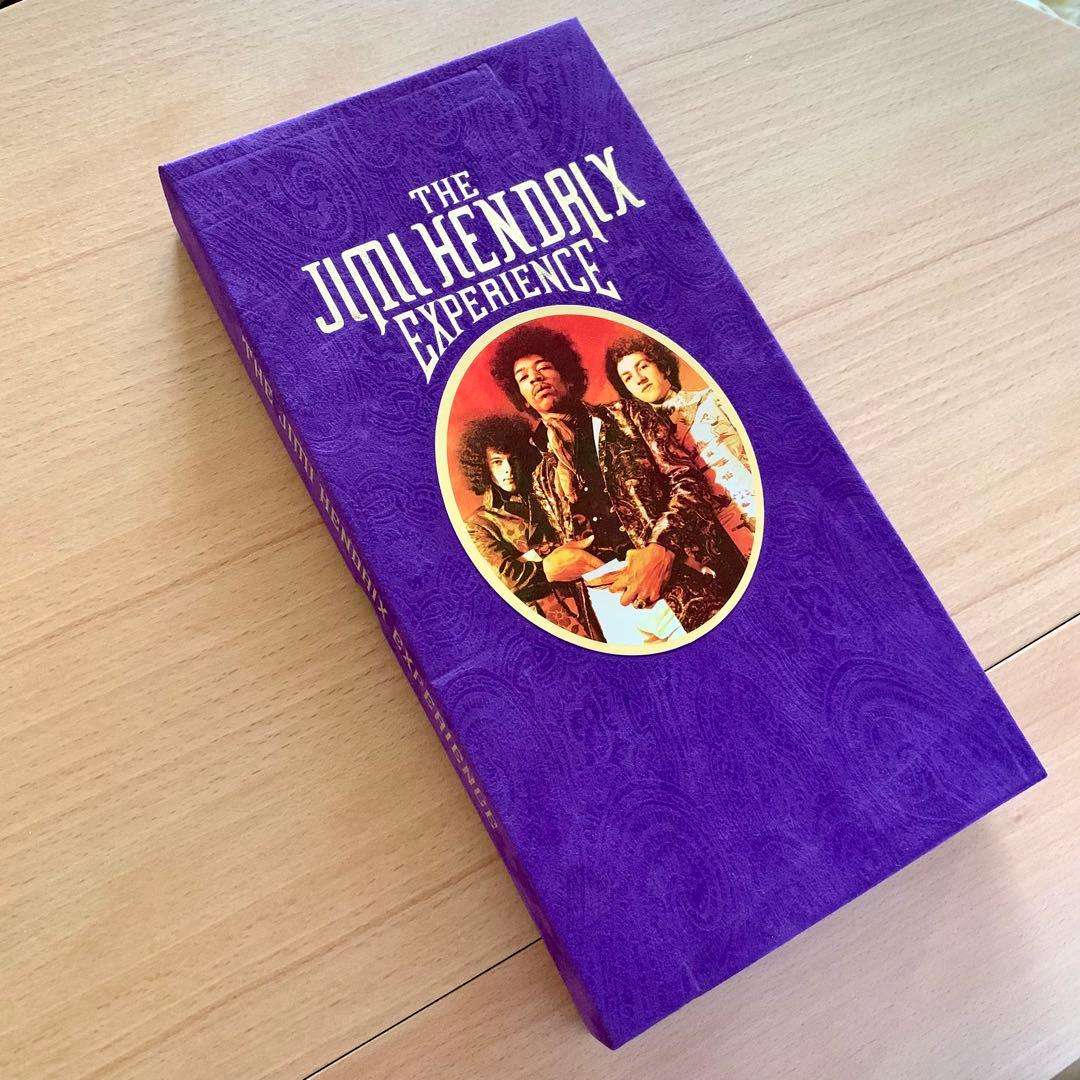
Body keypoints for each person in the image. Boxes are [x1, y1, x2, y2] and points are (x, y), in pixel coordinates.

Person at [489, 324, 745, 639]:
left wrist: (662, 549)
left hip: (675, 578)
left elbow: (687, 481)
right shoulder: (541, 474)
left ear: (568, 377)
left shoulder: (627, 414)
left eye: (544, 368)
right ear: (522, 398)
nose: (535, 378)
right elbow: (551, 541)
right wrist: (550, 564)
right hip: (607, 604)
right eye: (523, 377)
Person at [604, 333, 758, 558]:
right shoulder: (642, 446)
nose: (639, 379)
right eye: (627, 378)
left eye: (643, 366)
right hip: (718, 547)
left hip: (758, 510)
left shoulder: (712, 400)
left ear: (663, 367)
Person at [458, 414, 596, 638]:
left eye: (513, 459)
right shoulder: (479, 524)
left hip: (589, 602)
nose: (508, 469)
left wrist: (527, 558)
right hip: (544, 622)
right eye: (497, 462)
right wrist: (550, 563)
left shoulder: (546, 494)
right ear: (483, 467)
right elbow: (505, 580)